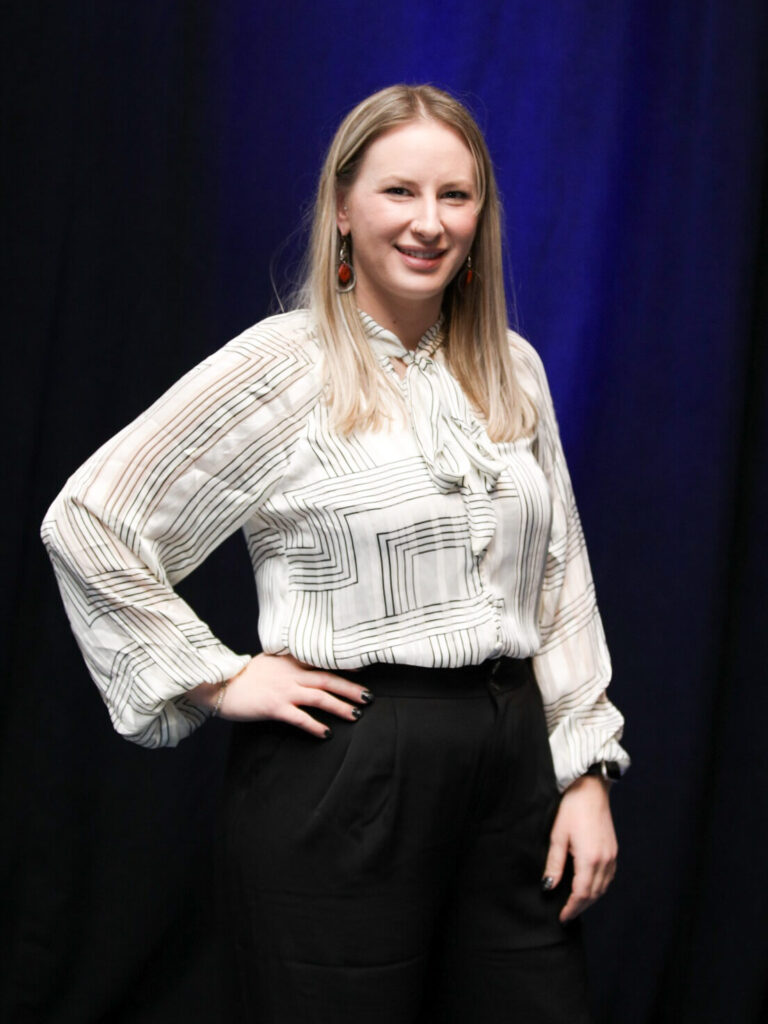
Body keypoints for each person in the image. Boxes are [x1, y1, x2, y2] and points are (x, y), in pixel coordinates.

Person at [42, 84, 629, 1023]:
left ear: (482, 217)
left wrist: (584, 772)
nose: (429, 223)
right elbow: (91, 518)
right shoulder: (283, 367)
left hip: (513, 764)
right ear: (344, 210)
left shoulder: (513, 367)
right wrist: (220, 680)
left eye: (456, 196)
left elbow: (559, 578)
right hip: (348, 772)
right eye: (400, 192)